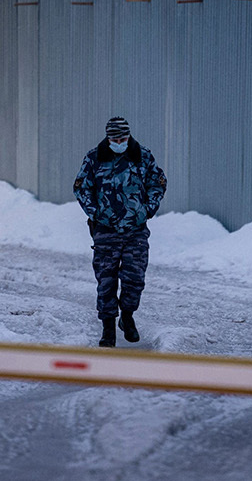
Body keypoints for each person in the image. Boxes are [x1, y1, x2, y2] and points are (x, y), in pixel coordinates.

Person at [73, 116, 167, 347]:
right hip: (106, 230)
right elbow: (81, 187)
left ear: (129, 135)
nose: (118, 141)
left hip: (135, 229)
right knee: (106, 280)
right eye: (114, 138)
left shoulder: (142, 155)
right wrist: (96, 212)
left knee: (134, 278)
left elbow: (158, 182)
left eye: (122, 137)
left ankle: (127, 317)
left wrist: (147, 210)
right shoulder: (94, 157)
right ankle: (108, 328)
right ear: (108, 137)